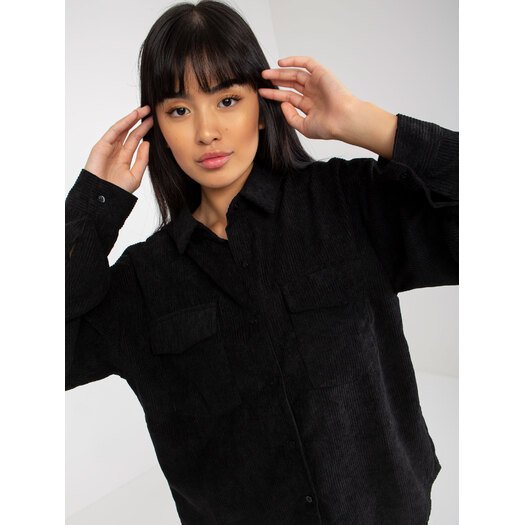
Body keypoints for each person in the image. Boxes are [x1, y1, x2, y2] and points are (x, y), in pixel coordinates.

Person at [65, 1, 458, 524]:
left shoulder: (347, 202)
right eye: (179, 110)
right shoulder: (142, 282)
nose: (207, 131)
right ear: (154, 125)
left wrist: (369, 124)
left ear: (262, 103)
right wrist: (93, 206)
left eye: (228, 100)